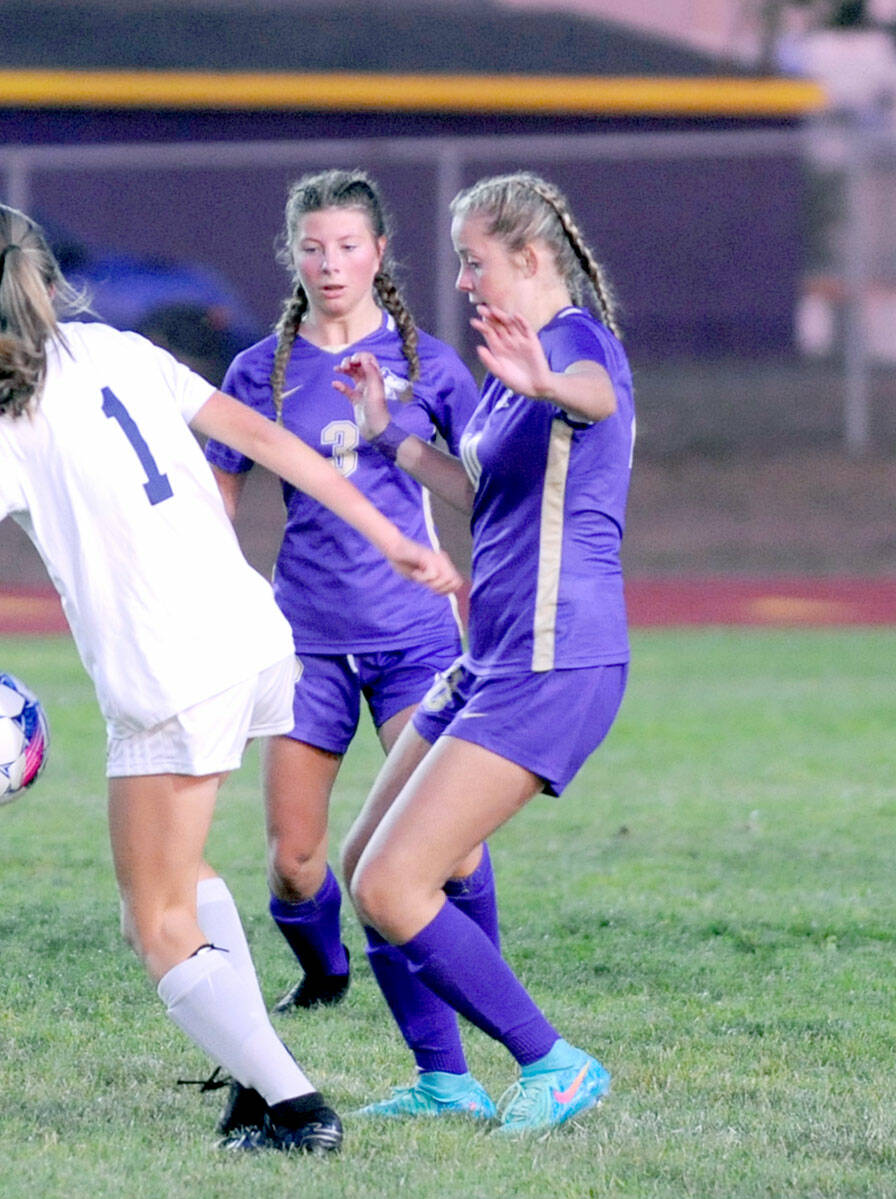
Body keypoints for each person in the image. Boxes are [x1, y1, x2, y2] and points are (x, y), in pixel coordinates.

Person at [0, 197, 462, 1154]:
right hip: (255, 636)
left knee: (154, 920)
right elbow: (271, 442)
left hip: (170, 671)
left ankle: (296, 1108)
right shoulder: (122, 352)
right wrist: (393, 536)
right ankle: (257, 1088)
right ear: (46, 277)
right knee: (186, 873)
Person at [334, 170, 635, 1136]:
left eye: (475, 261)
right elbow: (479, 495)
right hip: (492, 657)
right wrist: (389, 438)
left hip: (558, 657)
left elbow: (595, 395)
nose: (463, 280)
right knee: (363, 866)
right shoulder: (513, 379)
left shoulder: (575, 344)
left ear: (531, 258)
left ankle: (554, 1063)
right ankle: (445, 1080)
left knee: (394, 884)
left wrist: (549, 381)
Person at [204, 169, 494, 1088]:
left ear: (378, 253)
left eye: (348, 245)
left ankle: (478, 994)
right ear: (294, 256)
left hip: (415, 637)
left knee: (452, 846)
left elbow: (490, 483)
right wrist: (225, 596)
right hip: (307, 642)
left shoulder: (434, 366)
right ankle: (326, 971)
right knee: (295, 863)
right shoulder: (259, 370)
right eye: (314, 247)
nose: (331, 263)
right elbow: (217, 502)